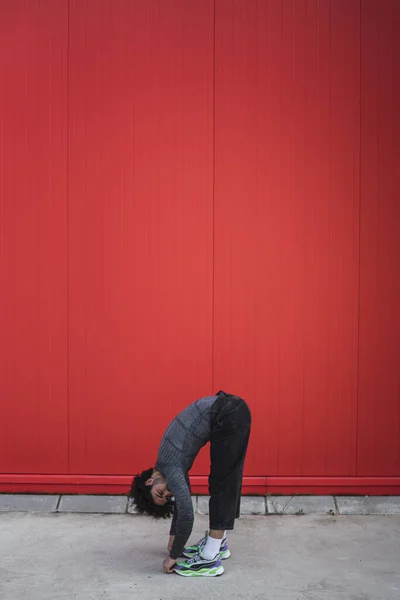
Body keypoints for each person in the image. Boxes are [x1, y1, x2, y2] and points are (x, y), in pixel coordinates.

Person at [129, 390, 251, 577]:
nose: (168, 492)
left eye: (160, 493)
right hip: (231, 409)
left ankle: (210, 557)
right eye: (167, 497)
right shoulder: (164, 462)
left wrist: (174, 555)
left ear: (150, 481)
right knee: (227, 480)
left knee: (222, 483)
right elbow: (182, 499)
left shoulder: (171, 468)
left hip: (226, 414)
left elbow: (187, 513)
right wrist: (174, 536)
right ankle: (219, 542)